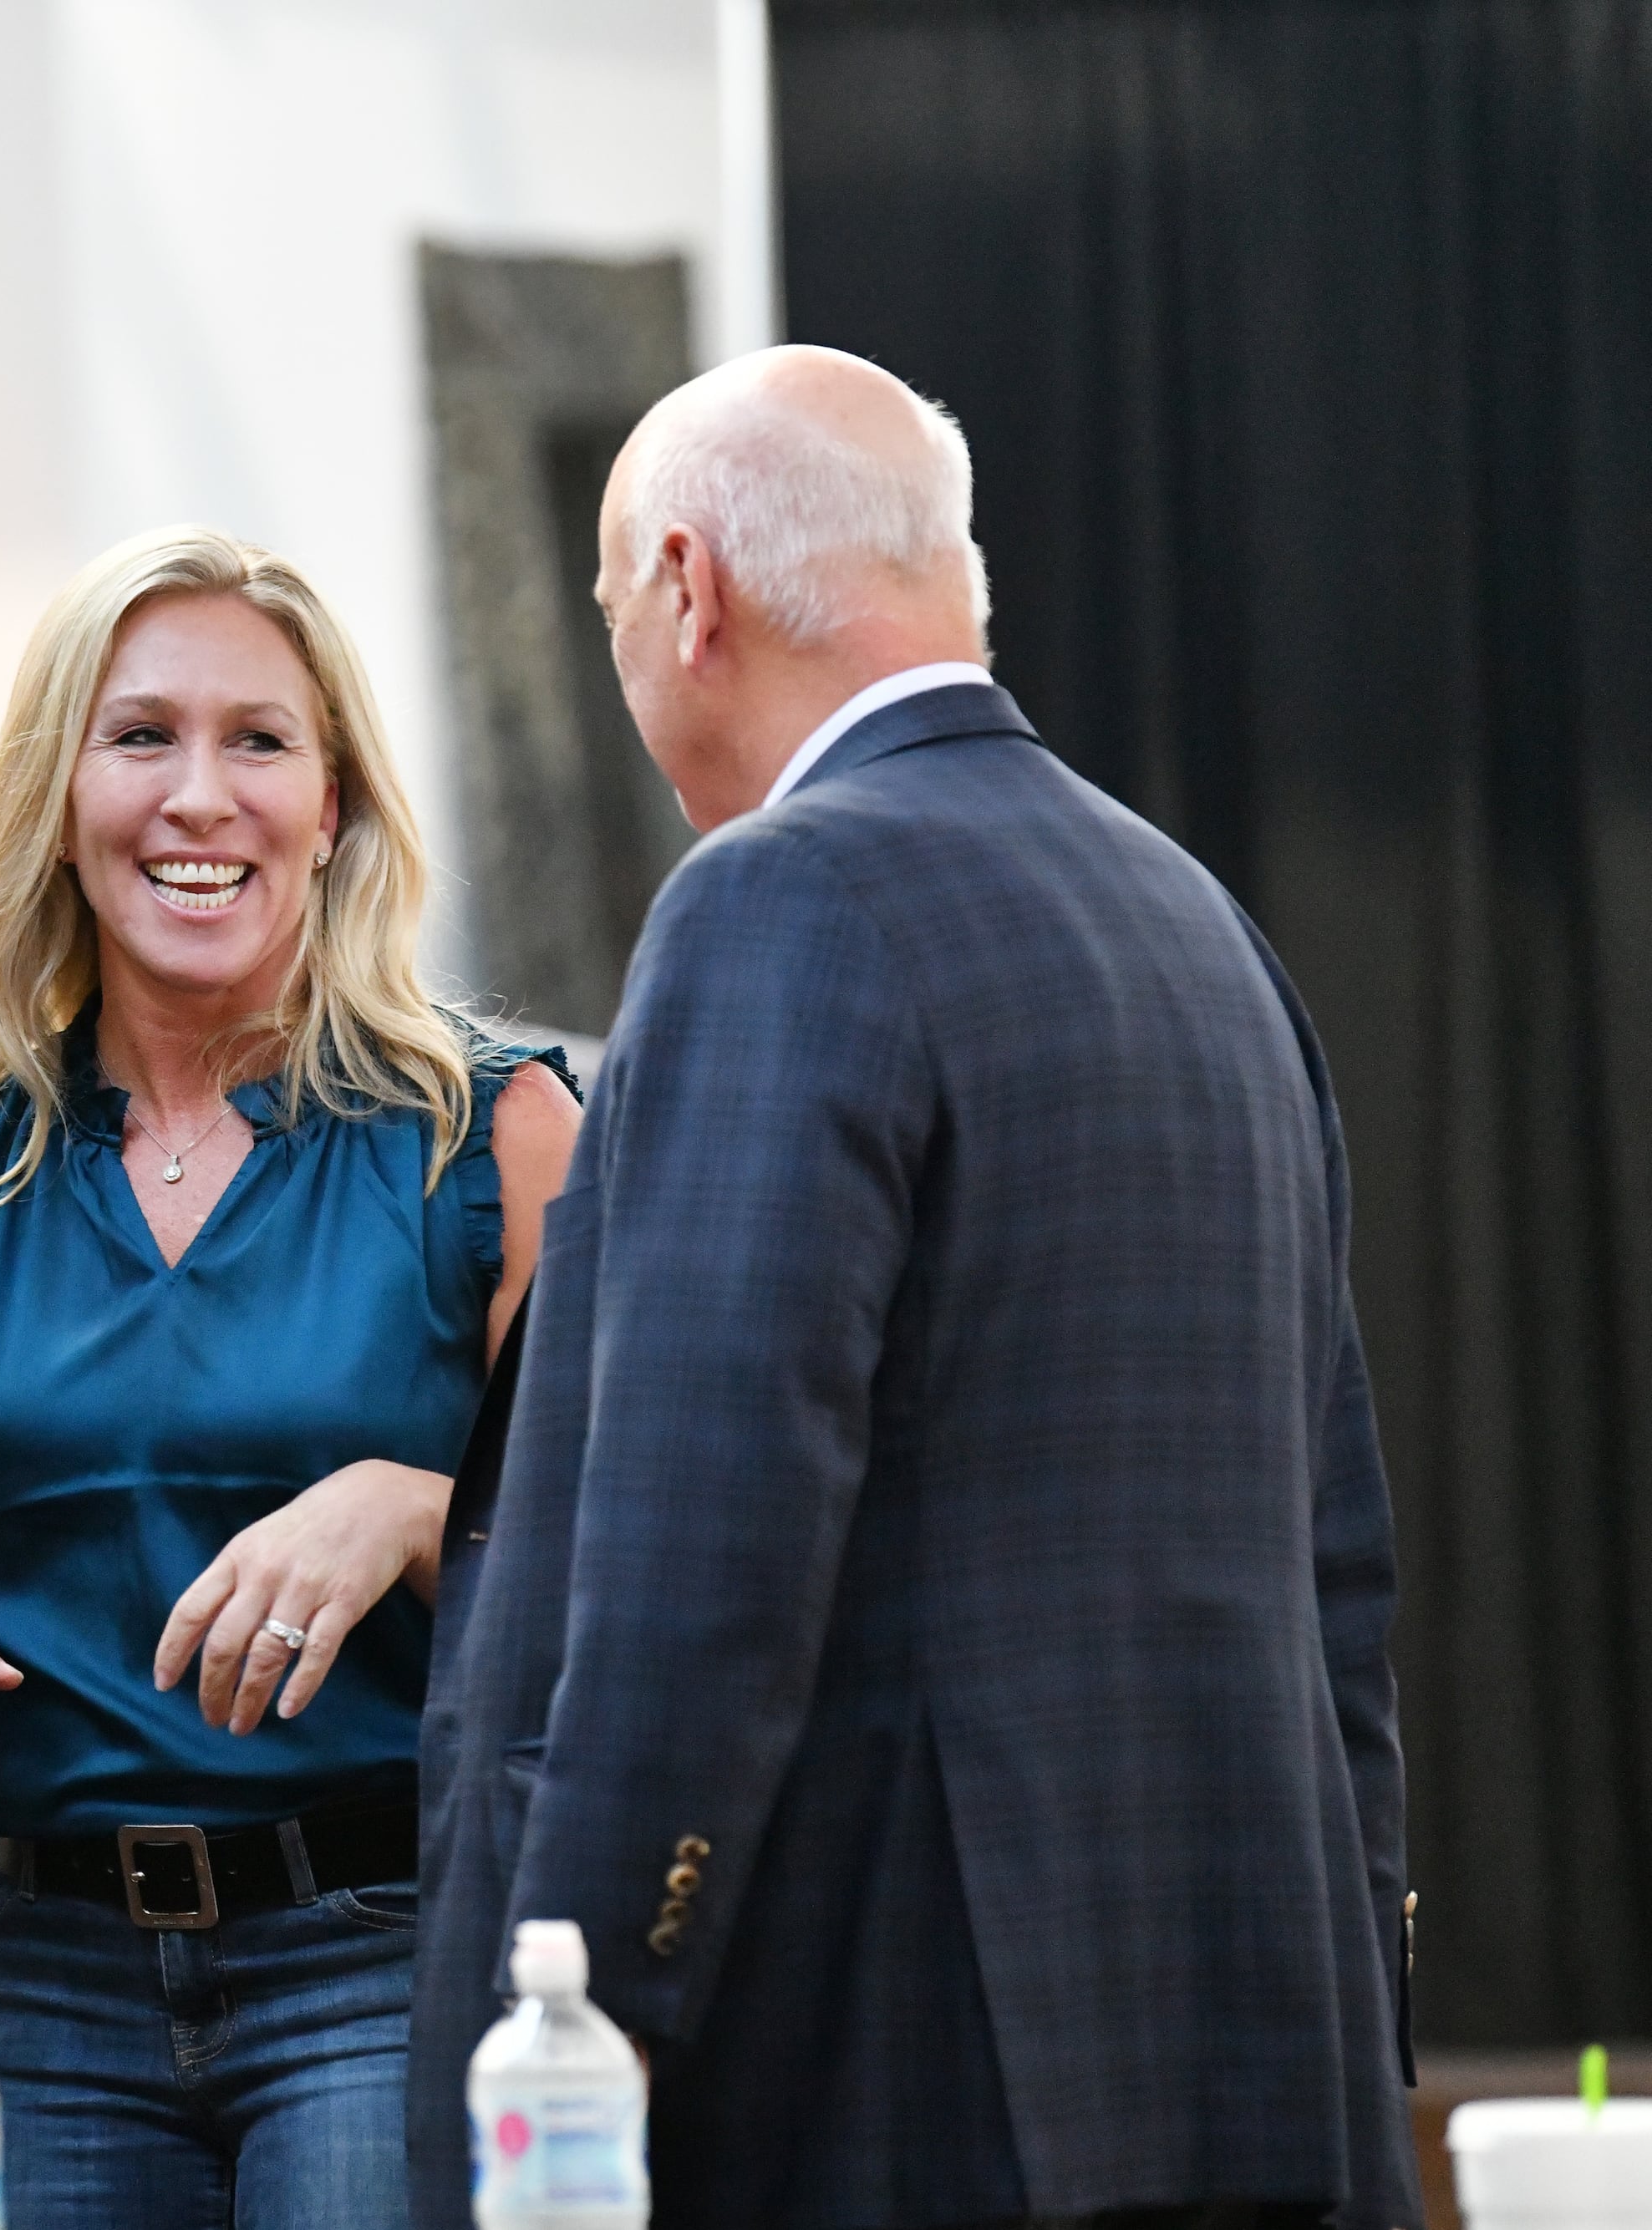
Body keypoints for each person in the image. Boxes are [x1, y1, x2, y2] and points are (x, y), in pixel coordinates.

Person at [411, 345, 1422, 2230]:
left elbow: (705, 1554)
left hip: (895, 2075)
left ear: (692, 590)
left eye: (620, 601)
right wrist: (1360, 2005)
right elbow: (1336, 1568)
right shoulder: (1206, 927)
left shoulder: (777, 902)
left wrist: (578, 2030)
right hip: (1248, 2058)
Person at [0, 526, 584, 2229]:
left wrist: (416, 1508)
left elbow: (645, 1578)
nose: (199, 797)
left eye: (261, 741)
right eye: (141, 734)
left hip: (384, 1959)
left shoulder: (492, 1135)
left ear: (336, 808)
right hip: (48, 1974)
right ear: (59, 795)